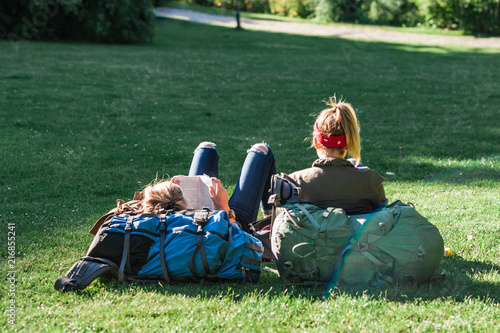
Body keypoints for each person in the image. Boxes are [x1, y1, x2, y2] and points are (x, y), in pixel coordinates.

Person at [121, 142, 276, 231]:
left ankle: (270, 216)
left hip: (191, 212)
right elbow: (238, 239)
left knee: (205, 148)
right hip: (230, 222)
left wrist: (172, 191)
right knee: (261, 151)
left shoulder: (150, 222)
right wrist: (224, 209)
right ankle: (270, 220)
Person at [288, 96, 387, 214]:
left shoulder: (294, 182)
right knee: (355, 163)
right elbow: (383, 215)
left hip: (312, 231)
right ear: (348, 145)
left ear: (316, 142)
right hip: (355, 231)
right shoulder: (369, 179)